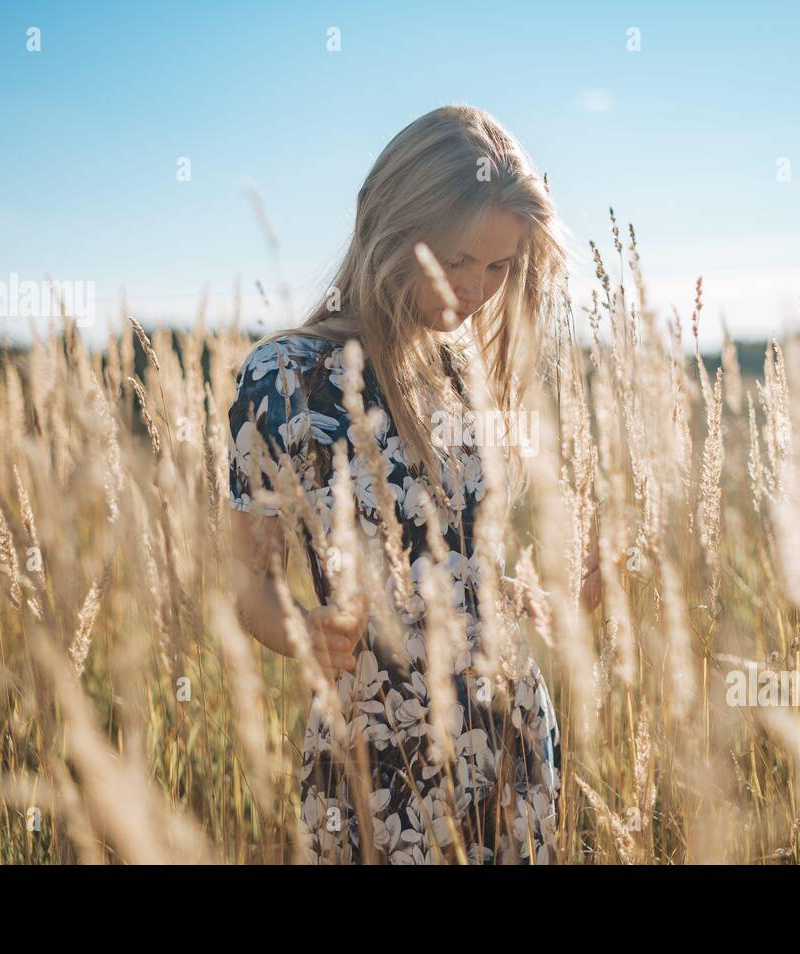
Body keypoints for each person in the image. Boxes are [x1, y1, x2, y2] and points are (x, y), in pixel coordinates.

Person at [226, 104, 598, 864]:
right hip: (382, 754)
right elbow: (246, 586)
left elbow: (465, 567)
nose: (476, 291)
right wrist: (298, 628)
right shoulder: (283, 379)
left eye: (500, 267)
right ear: (393, 230)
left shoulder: (460, 369)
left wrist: (547, 602)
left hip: (512, 743)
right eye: (458, 260)